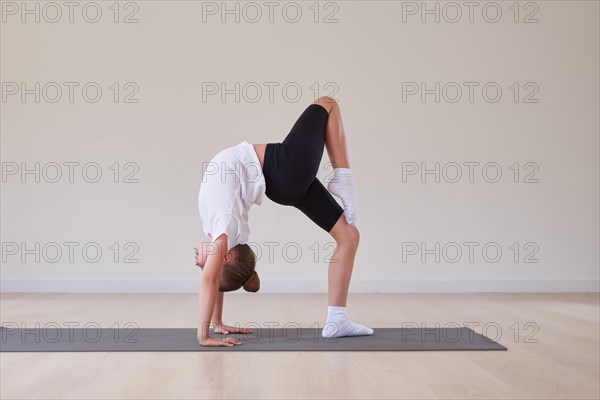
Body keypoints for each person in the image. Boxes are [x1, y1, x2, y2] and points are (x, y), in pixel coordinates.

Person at [194, 96, 373, 347]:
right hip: (284, 168)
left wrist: (217, 323)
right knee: (327, 103)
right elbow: (212, 279)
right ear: (226, 257)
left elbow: (215, 280)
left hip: (284, 185)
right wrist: (204, 335)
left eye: (204, 265)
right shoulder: (224, 227)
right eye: (206, 266)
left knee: (349, 238)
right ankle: (344, 176)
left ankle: (337, 319)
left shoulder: (218, 231)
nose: (199, 265)